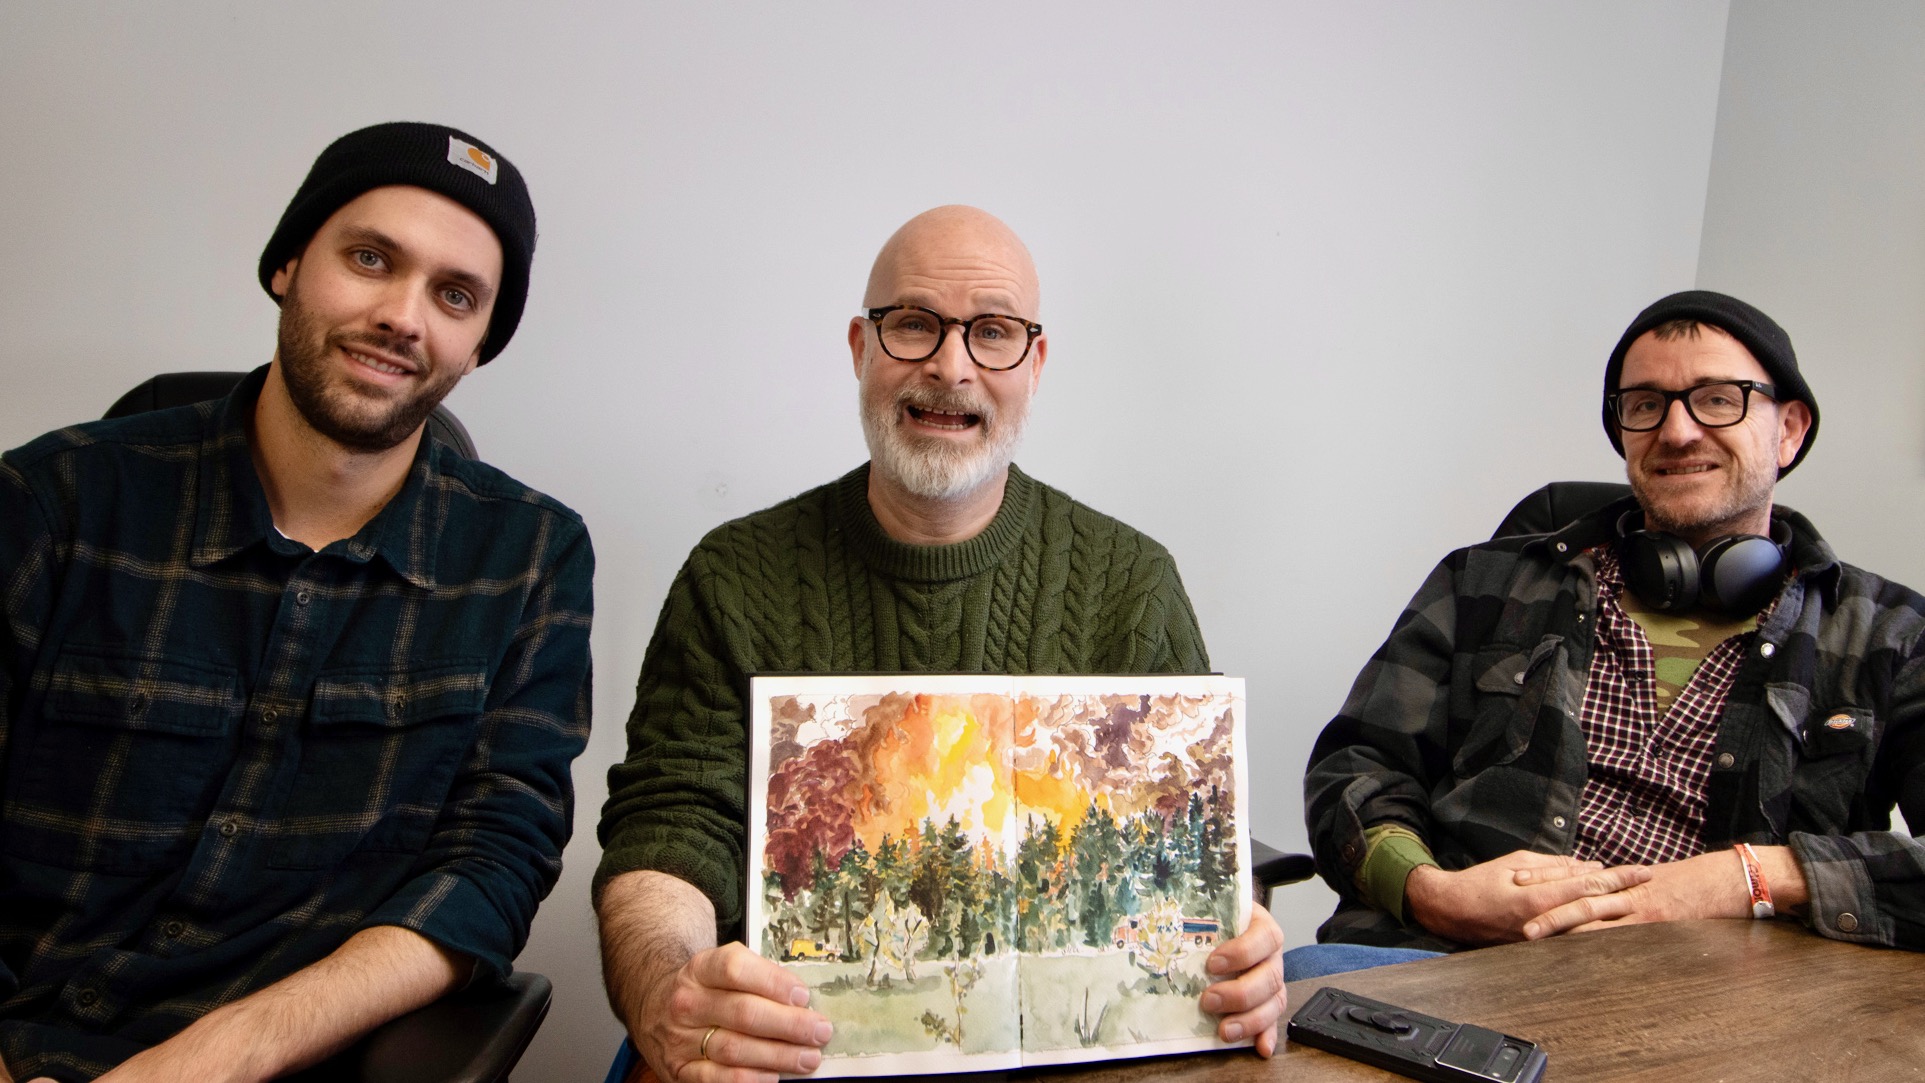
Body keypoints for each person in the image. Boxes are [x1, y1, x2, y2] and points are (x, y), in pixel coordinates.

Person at [595, 205, 1286, 1082]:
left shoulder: (1131, 581)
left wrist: (1244, 945)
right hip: (789, 1053)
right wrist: (666, 990)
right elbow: (669, 828)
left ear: (1034, 365)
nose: (950, 366)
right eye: (914, 324)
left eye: (991, 332)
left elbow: (1190, 847)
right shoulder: (735, 574)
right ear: (860, 347)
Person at [0, 122, 593, 1082]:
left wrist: (217, 1056)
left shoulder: (528, 556)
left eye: (454, 295)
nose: (404, 316)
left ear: (479, 343)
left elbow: (493, 862)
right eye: (369, 258)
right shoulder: (50, 503)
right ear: (286, 264)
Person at [1299, 290, 1924, 976]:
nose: (1677, 431)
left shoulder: (1888, 636)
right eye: (1645, 403)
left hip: (1708, 1007)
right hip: (1439, 969)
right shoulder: (1483, 580)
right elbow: (1354, 768)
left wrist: (1751, 875)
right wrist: (1432, 892)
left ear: (1789, 429)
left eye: (1718, 398)